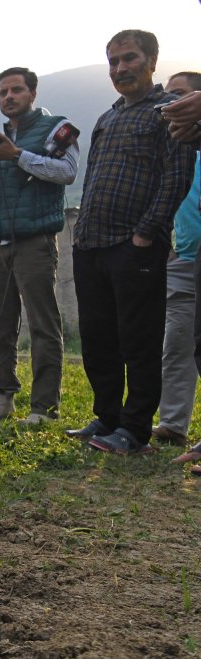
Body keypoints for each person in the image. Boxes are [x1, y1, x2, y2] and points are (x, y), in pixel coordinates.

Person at [65, 30, 197, 455]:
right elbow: (92, 181)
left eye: (129, 58)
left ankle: (135, 430)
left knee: (138, 340)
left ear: (152, 60)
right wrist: (81, 234)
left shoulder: (169, 112)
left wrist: (145, 233)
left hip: (135, 244)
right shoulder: (107, 117)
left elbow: (177, 177)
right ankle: (107, 417)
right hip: (91, 243)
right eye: (114, 61)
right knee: (98, 336)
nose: (121, 68)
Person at [0, 67, 79, 424]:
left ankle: (43, 407)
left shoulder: (57, 128)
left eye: (15, 90)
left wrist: (17, 156)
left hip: (35, 240)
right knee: (0, 323)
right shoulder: (0, 140)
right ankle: (3, 398)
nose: (8, 97)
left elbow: (68, 173)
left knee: (43, 324)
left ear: (32, 93)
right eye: (2, 92)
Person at [154, 72, 201, 447]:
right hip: (184, 259)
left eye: (180, 95)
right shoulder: (170, 148)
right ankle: (172, 424)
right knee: (178, 342)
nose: (172, 103)